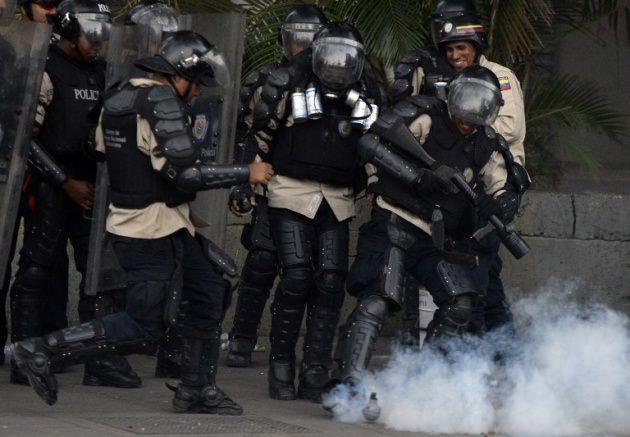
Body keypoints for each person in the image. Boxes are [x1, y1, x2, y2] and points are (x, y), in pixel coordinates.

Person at [11, 30, 274, 414]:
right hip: (148, 229)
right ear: (179, 76)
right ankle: (40, 351)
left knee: (208, 293)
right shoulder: (161, 100)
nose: (196, 94)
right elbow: (185, 175)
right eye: (195, 84)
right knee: (142, 324)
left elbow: (94, 148)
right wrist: (246, 172)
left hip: (162, 222)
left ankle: (197, 389)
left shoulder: (120, 95)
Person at [331, 66, 520, 389]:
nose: (467, 118)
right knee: (378, 299)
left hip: (435, 237)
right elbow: (372, 143)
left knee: (460, 302)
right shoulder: (426, 114)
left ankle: (423, 386)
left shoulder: (487, 144)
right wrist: (420, 178)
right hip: (394, 220)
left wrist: (499, 205)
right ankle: (349, 382)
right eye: (465, 105)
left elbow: (506, 186)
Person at [8, 0, 141, 388]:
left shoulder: (102, 71)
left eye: (103, 34)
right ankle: (26, 356)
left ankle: (97, 360)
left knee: (100, 274)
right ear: (68, 31)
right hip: (51, 183)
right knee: (36, 269)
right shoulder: (43, 67)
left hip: (93, 183)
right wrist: (65, 181)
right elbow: (23, 139)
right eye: (91, 35)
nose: (97, 42)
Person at [250, 22, 382, 401]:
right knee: (296, 276)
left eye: (346, 58)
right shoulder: (290, 83)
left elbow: (374, 144)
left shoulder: (365, 93)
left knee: (330, 282)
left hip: (337, 197)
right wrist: (250, 183)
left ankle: (315, 369)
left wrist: (376, 185)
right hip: (290, 190)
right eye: (331, 56)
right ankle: (281, 364)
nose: (337, 66)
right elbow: (260, 136)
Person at [392, 0, 529, 338]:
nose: (455, 55)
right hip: (442, 191)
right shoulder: (436, 76)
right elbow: (401, 120)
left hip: (487, 192)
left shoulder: (497, 77)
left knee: (477, 275)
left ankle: (477, 353)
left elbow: (507, 128)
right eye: (449, 49)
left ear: (475, 45)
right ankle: (506, 352)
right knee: (477, 281)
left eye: (461, 48)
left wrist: (453, 110)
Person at [226, 4, 328, 369]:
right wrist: (242, 184)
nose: (301, 48)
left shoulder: (338, 83)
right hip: (274, 185)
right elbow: (244, 135)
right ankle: (242, 337)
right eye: (295, 39)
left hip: (319, 189)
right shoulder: (267, 80)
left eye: (309, 40)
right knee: (262, 261)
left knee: (313, 273)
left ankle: (304, 350)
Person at [1, 0, 68, 367]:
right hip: (13, 167)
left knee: (48, 261)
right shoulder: (12, 44)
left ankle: (47, 342)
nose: (51, 11)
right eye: (44, 4)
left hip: (47, 174)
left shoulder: (65, 47)